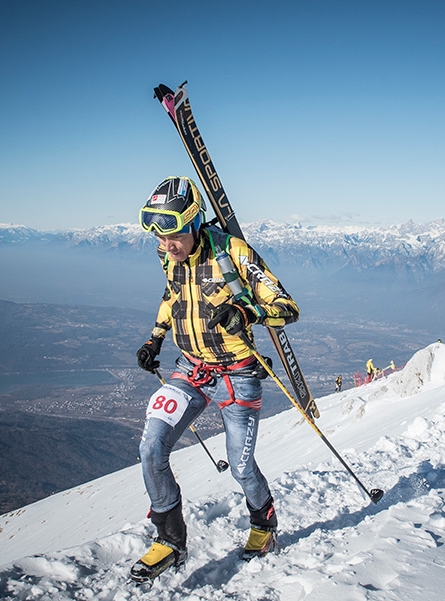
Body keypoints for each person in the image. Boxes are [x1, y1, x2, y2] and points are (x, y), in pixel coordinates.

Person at [132, 176, 300, 579]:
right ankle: (170, 542)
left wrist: (248, 313)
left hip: (238, 374)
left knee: (241, 469)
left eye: (172, 234)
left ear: (192, 223)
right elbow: (173, 294)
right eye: (158, 235)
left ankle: (264, 525)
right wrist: (155, 339)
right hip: (190, 367)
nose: (165, 245)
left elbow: (287, 307)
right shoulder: (167, 254)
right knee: (151, 448)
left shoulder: (233, 252)